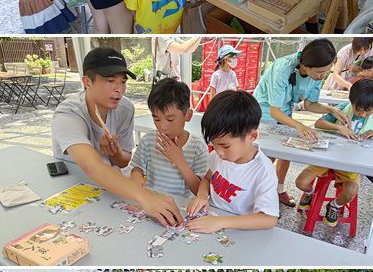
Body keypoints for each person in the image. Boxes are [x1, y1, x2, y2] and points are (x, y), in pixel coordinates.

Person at [51, 47, 184, 227]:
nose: (119, 89)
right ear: (87, 81)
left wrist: (115, 153)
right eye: (110, 81)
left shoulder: (125, 109)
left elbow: (123, 161)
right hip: (74, 187)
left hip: (112, 189)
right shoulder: (68, 113)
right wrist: (145, 197)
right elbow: (91, 167)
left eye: (122, 82)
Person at [252, 38, 347, 206]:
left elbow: (310, 104)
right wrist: (298, 125)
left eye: (326, 72)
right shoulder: (283, 69)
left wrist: (332, 110)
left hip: (285, 113)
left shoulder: (315, 75)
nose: (322, 76)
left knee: (286, 152)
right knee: (266, 156)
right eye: (319, 72)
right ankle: (257, 193)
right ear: (305, 66)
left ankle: (278, 189)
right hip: (264, 113)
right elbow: (275, 111)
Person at [295, 79, 373, 226]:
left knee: (350, 192)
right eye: (358, 109)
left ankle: (334, 205)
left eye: (368, 110)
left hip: (353, 163)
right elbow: (318, 123)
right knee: (301, 182)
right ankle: (310, 193)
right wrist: (339, 127)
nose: (363, 114)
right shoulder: (343, 108)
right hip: (328, 157)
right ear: (351, 101)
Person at [185, 90, 280, 233]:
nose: (218, 151)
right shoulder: (220, 157)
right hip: (213, 222)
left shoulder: (263, 171)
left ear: (252, 136)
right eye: (213, 144)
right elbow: (207, 178)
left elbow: (269, 219)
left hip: (240, 231)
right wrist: (202, 196)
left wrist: (221, 222)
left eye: (225, 145)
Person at [130, 78, 209, 197]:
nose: (163, 126)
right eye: (156, 119)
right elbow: (137, 167)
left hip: (182, 209)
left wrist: (179, 160)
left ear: (187, 115)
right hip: (153, 205)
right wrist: (136, 177)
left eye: (170, 119)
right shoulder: (148, 140)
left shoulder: (197, 148)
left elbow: (200, 191)